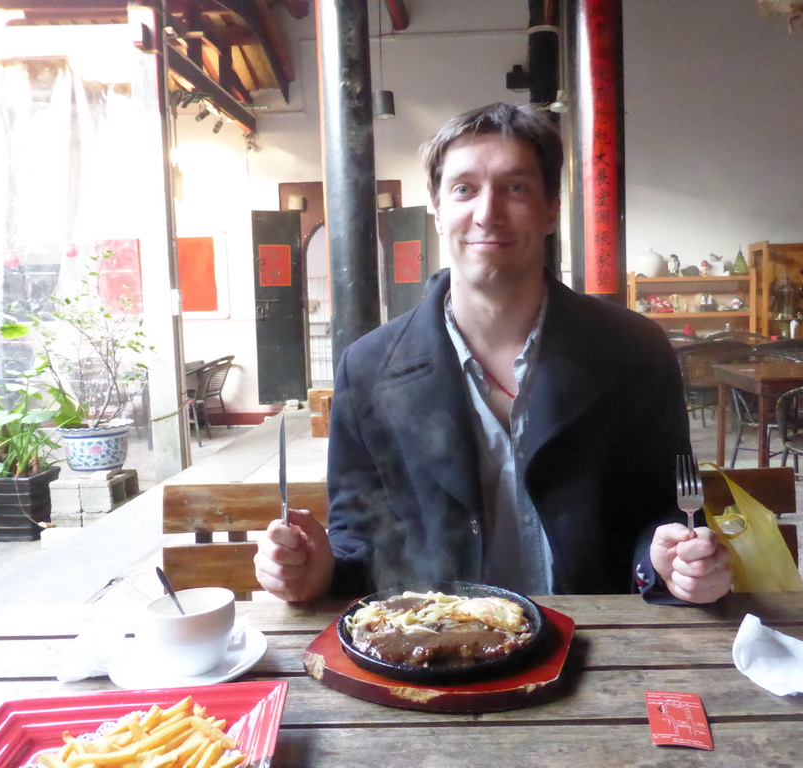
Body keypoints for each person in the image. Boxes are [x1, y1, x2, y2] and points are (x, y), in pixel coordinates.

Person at [255, 102, 731, 605]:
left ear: (551, 209)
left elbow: (662, 514)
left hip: (598, 648)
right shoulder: (369, 368)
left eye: (516, 188)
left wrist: (670, 565)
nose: (487, 213)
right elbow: (359, 538)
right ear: (437, 211)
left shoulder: (634, 350)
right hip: (438, 652)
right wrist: (319, 569)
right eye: (464, 189)